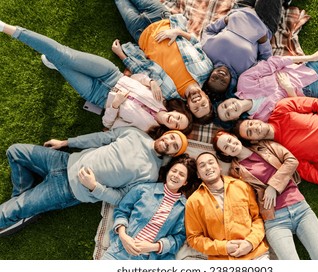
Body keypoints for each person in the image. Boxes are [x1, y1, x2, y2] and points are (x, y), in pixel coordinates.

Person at [0, 21, 193, 134]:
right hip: (110, 74)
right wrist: (149, 81)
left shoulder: (144, 131)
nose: (174, 120)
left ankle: (58, 64)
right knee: (64, 54)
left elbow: (108, 125)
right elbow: (137, 77)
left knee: (60, 60)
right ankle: (8, 28)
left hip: (97, 95)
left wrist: (115, 105)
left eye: (176, 125)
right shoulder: (162, 98)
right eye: (179, 117)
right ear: (178, 112)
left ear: (173, 131)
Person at [0, 127, 188, 236]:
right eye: (172, 137)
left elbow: (122, 198)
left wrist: (94, 187)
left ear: (171, 155)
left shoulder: (150, 174)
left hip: (70, 189)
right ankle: (23, 196)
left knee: (10, 211)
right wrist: (66, 143)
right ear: (167, 133)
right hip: (64, 160)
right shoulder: (135, 133)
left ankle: (21, 209)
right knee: (15, 151)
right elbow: (101, 138)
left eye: (174, 146)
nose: (169, 142)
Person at [213, 130, 318, 260]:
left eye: (230, 140)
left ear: (235, 136)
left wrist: (273, 187)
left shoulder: (265, 146)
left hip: (300, 209)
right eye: (226, 147)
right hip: (274, 221)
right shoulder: (235, 173)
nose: (231, 145)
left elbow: (291, 161)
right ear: (225, 154)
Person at [113, 0, 215, 124]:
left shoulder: (167, 93)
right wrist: (177, 32)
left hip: (140, 32)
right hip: (161, 17)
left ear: (188, 107)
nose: (198, 103)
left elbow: (143, 71)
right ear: (207, 98)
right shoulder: (206, 69)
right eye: (203, 105)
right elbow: (196, 43)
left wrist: (121, 55)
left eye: (196, 109)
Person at [102, 153, 198, 260]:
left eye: (181, 174)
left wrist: (153, 247)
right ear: (168, 172)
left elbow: (179, 237)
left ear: (185, 182)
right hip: (119, 250)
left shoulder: (184, 208)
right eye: (174, 171)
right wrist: (123, 236)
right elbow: (122, 211)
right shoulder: (143, 189)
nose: (176, 175)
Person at [185, 152, 269, 260]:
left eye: (211, 162)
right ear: (198, 174)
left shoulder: (242, 186)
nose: (208, 167)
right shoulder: (193, 201)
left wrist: (250, 243)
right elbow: (194, 238)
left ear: (219, 167)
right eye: (202, 165)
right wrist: (223, 247)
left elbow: (257, 219)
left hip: (255, 254)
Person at [200, 7, 275, 99]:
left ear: (209, 76)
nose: (221, 76)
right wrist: (264, 41)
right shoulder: (245, 72)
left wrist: (224, 21)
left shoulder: (207, 52)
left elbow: (208, 30)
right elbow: (267, 62)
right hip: (264, 22)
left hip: (241, 9)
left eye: (214, 78)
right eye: (223, 82)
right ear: (230, 84)